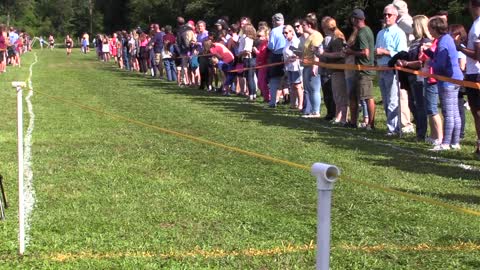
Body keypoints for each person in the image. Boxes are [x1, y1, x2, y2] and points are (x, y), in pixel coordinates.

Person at [424, 16, 463, 151]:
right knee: (455, 112)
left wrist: (430, 63)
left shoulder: (442, 43)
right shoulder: (447, 39)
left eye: (430, 28)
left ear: (435, 28)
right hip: (456, 79)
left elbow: (440, 66)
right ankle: (455, 142)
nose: (429, 31)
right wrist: (428, 51)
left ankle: (445, 143)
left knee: (448, 113)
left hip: (448, 81)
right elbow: (441, 58)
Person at [395, 15, 432, 141]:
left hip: (419, 78)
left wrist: (406, 64)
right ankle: (419, 130)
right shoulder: (414, 42)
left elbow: (422, 62)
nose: (411, 27)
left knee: (420, 106)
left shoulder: (426, 42)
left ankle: (421, 134)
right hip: (410, 77)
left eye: (413, 25)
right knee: (412, 104)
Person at [375, 4, 408, 135]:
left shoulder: (399, 33)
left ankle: (393, 128)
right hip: (381, 68)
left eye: (389, 15)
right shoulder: (380, 33)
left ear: (396, 16)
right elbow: (377, 48)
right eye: (385, 15)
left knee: (393, 100)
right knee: (385, 99)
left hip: (392, 69)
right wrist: (377, 52)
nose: (387, 17)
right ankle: (391, 126)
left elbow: (402, 53)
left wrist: (385, 51)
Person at [345, 8, 376, 129]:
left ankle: (371, 124)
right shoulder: (364, 31)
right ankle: (353, 122)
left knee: (367, 97)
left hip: (365, 70)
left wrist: (350, 52)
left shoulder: (363, 32)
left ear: (355, 19)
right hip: (358, 70)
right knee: (353, 96)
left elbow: (365, 52)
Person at [457, 0, 480, 157]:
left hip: (476, 72)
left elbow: (478, 55)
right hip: (474, 71)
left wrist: (460, 48)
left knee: (477, 112)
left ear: (472, 5)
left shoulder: (478, 25)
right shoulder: (475, 24)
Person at [322, 17, 348, 124]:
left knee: (341, 95)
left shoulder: (338, 38)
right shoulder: (334, 37)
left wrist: (325, 53)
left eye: (323, 27)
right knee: (337, 95)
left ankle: (343, 118)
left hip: (339, 69)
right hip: (334, 69)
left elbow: (340, 54)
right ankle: (338, 116)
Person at [301, 14, 323, 118]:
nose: (302, 26)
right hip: (306, 65)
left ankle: (316, 111)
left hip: (313, 66)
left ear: (309, 25)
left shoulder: (316, 35)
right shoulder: (309, 36)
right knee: (309, 89)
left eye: (303, 25)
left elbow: (317, 52)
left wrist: (315, 66)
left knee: (314, 89)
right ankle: (312, 110)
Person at [267, 13, 287, 108]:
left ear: (274, 21)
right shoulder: (289, 28)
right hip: (289, 56)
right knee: (289, 78)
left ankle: (273, 101)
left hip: (277, 56)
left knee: (274, 79)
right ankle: (293, 101)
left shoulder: (274, 31)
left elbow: (271, 46)